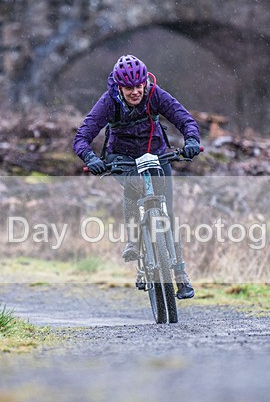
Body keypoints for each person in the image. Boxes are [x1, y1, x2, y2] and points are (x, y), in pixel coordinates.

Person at [73, 54, 201, 299]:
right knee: (134, 188)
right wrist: (91, 159)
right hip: (122, 158)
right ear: (119, 87)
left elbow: (184, 119)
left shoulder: (155, 94)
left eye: (138, 85)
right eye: (129, 87)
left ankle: (181, 275)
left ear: (145, 82)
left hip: (156, 154)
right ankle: (135, 241)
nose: (135, 92)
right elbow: (81, 137)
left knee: (168, 211)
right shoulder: (108, 102)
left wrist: (192, 140)